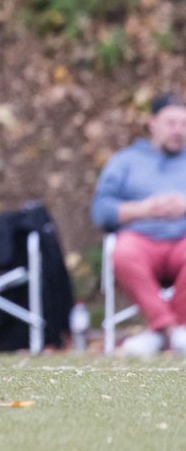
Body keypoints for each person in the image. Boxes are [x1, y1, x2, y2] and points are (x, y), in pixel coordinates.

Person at [91, 93, 186, 356]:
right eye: (171, 123)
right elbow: (101, 210)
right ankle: (173, 332)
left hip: (182, 241)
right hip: (141, 239)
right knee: (121, 252)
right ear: (152, 123)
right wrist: (143, 209)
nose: (178, 131)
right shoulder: (125, 161)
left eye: (183, 124)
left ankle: (158, 333)